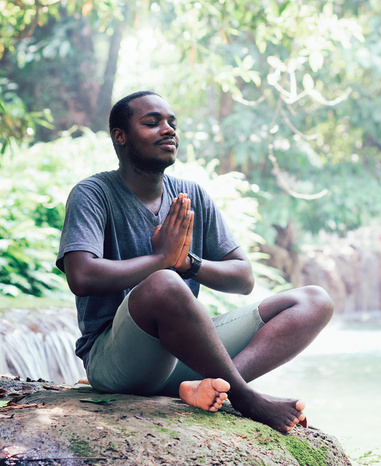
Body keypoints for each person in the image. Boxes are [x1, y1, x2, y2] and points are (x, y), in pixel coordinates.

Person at [56, 90, 334, 433]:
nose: (168, 130)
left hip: (182, 356)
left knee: (313, 301)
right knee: (164, 283)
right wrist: (160, 260)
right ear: (120, 136)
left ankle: (209, 386)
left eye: (172, 123)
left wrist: (187, 262)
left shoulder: (192, 195)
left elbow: (243, 277)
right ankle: (245, 397)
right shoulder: (93, 194)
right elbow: (81, 276)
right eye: (152, 122)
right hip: (114, 358)